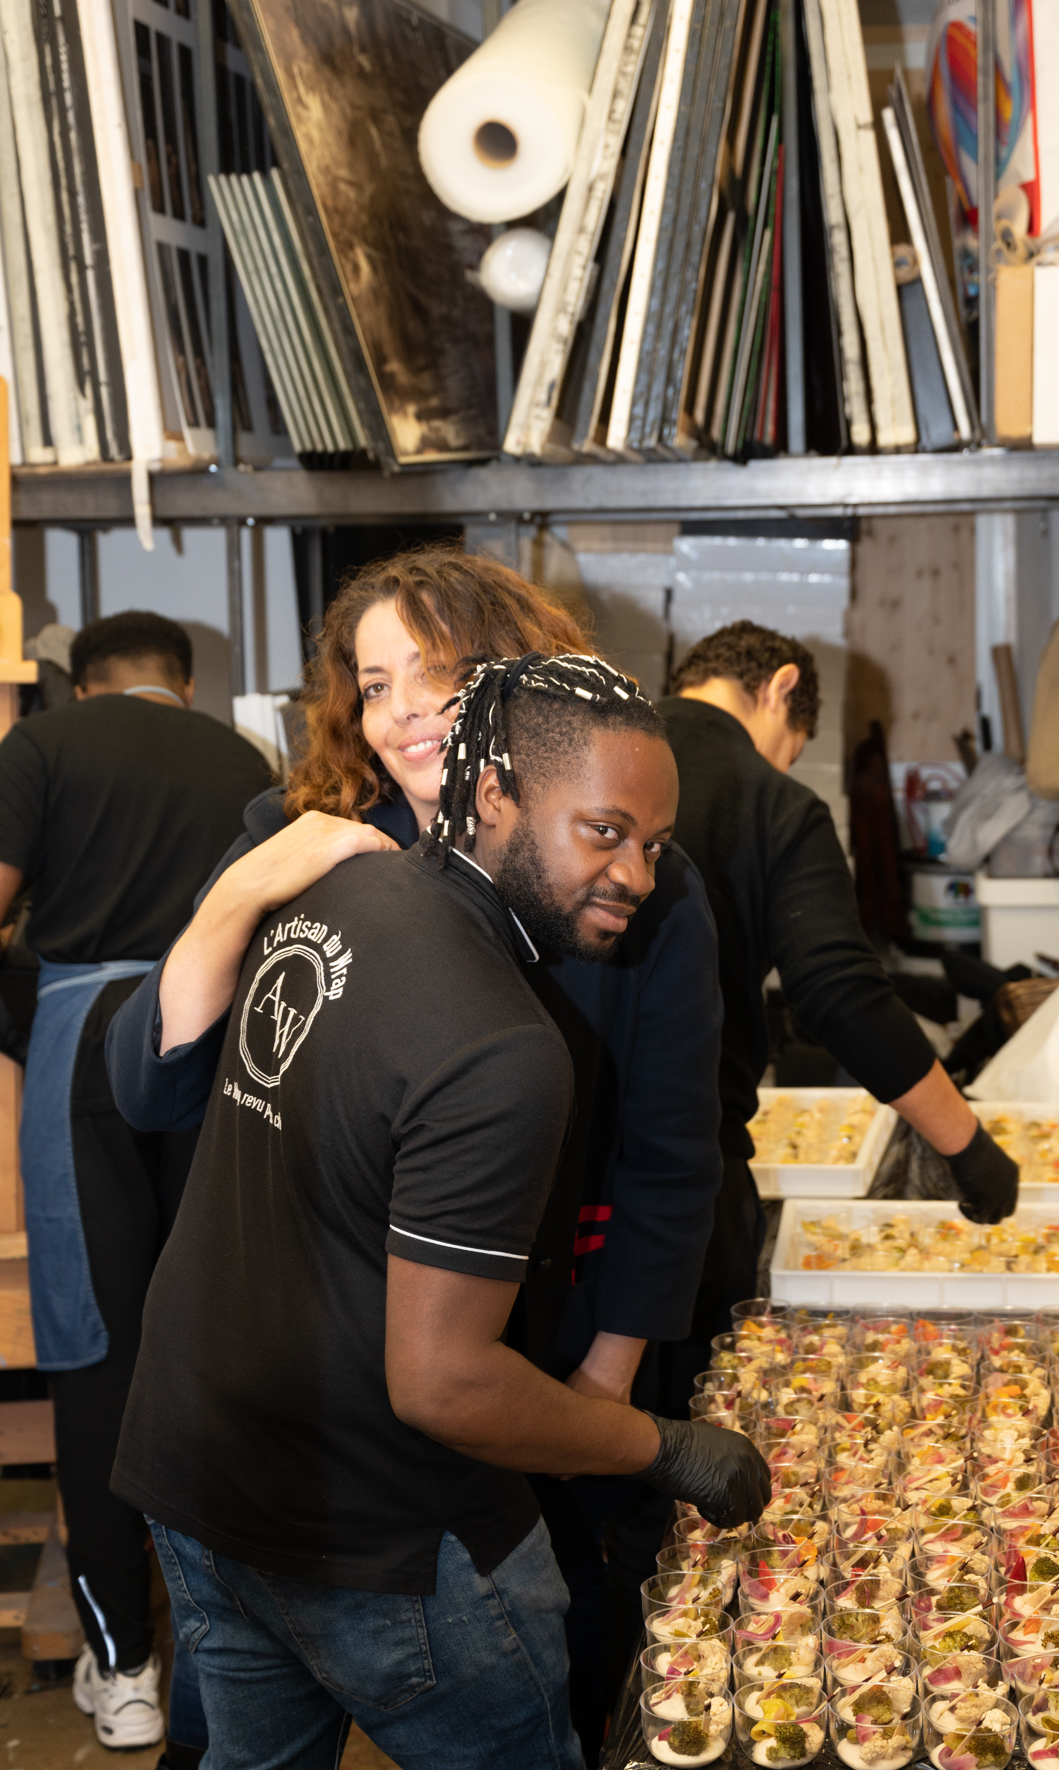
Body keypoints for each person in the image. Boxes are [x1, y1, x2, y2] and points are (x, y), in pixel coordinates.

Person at [106, 547, 724, 1762]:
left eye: (435, 675)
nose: (400, 713)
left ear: (518, 689)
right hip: (306, 1398)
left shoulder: (625, 878)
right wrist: (239, 895)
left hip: (534, 1346)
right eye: (374, 683)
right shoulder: (307, 846)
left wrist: (598, 1396)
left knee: (561, 1647)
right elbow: (151, 1083)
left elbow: (668, 1156)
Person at [0, 611, 272, 1757]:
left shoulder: (41, 746)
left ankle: (124, 1671)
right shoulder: (241, 759)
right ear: (184, 684)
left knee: (95, 1351)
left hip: (85, 1054)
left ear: (83, 684)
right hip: (216, 1051)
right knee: (212, 1341)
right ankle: (237, 1654)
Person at [662, 618, 1020, 1340]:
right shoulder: (773, 802)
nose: (782, 767)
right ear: (780, 687)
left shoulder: (588, 755)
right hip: (682, 1168)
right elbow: (839, 994)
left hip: (544, 1161)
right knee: (682, 1387)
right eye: (791, 748)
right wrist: (966, 1145)